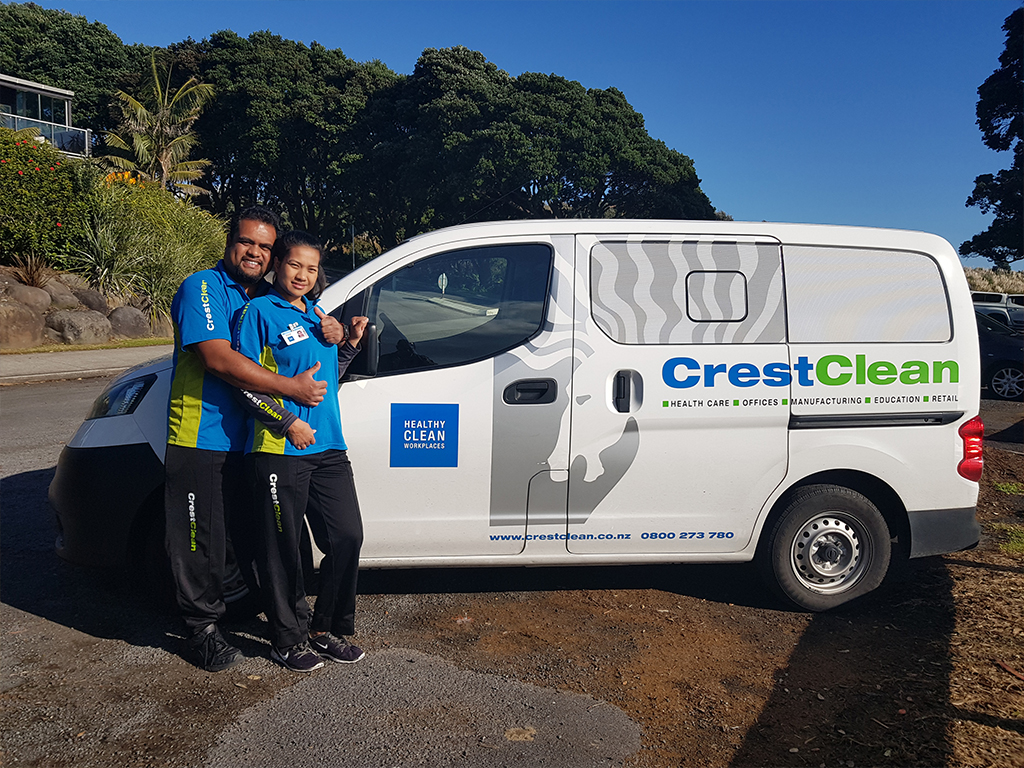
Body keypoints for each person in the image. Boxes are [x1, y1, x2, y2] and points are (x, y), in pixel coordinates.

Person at [164, 207, 347, 672]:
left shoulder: (267, 297)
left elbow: (307, 336)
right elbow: (217, 359)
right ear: (230, 241)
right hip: (200, 433)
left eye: (265, 247)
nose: (255, 252)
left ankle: (267, 619)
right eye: (248, 242)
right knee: (198, 538)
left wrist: (339, 331)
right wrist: (291, 391)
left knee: (249, 540)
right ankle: (200, 629)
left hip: (250, 439)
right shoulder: (203, 287)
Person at [234, 230, 368, 673]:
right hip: (279, 448)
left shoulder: (318, 316)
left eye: (311, 269)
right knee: (283, 549)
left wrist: (347, 344)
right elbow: (241, 382)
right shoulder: (258, 312)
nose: (302, 275)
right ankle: (286, 637)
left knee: (347, 536)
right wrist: (287, 422)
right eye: (295, 265)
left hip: (329, 445)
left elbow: (328, 379)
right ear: (278, 266)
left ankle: (323, 627)